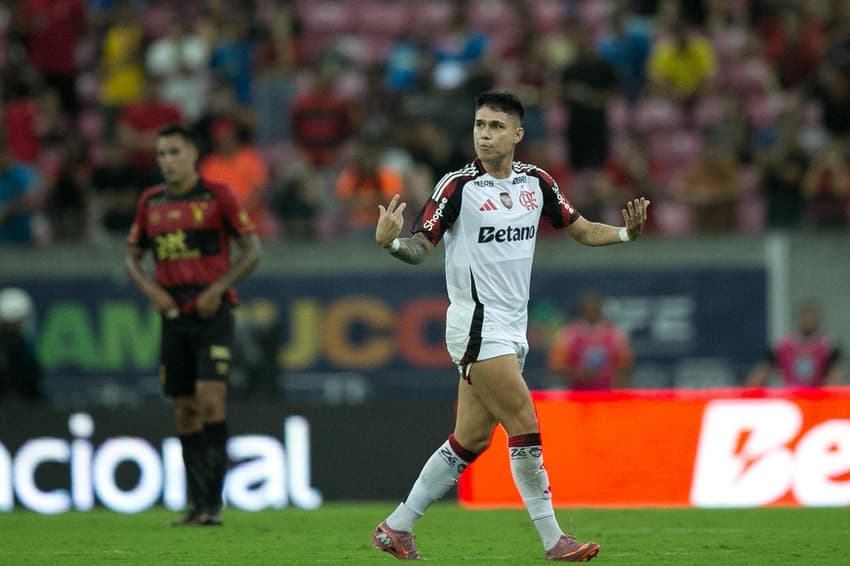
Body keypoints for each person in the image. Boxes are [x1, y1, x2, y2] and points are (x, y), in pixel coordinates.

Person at [372, 91, 650, 562]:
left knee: (470, 440)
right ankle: (553, 538)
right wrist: (392, 245)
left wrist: (626, 234)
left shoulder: (536, 182)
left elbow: (580, 228)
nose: (484, 134)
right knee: (524, 421)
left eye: (496, 127)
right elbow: (421, 245)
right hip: (476, 327)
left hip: (510, 331)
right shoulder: (457, 187)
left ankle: (396, 527)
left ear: (518, 134)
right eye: (479, 125)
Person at [125, 124, 262, 526]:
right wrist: (152, 291)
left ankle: (213, 505)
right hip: (172, 314)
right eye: (161, 154)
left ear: (192, 155)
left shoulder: (218, 196)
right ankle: (197, 504)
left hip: (212, 313)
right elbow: (131, 259)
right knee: (184, 409)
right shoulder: (149, 202)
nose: (167, 160)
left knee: (210, 401)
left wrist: (218, 289)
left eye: (173, 152)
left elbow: (252, 251)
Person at [547, 292, 633, 391]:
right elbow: (556, 366)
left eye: (595, 306)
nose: (591, 310)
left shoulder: (615, 335)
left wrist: (622, 392)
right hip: (576, 395)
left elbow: (625, 367)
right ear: (581, 309)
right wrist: (577, 374)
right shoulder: (569, 335)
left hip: (607, 394)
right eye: (588, 307)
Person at [747, 302, 842, 387]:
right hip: (791, 395)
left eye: (811, 317)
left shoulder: (827, 345)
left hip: (817, 397)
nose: (808, 320)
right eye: (805, 317)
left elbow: (835, 375)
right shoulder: (784, 345)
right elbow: (762, 371)